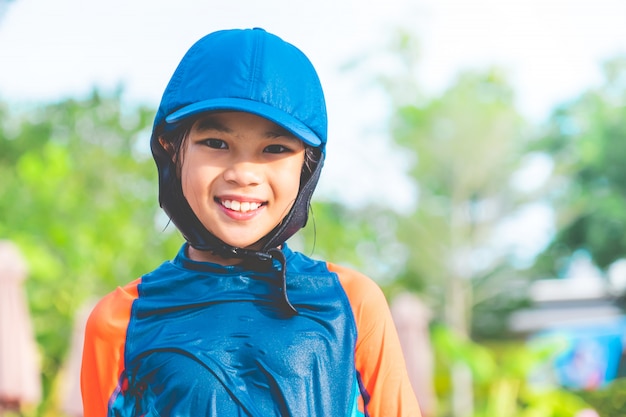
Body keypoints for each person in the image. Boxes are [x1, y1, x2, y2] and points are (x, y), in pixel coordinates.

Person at [80, 27, 421, 417]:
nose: (243, 173)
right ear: (170, 148)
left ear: (307, 166)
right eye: (216, 143)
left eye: (274, 149)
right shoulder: (120, 321)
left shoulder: (352, 305)